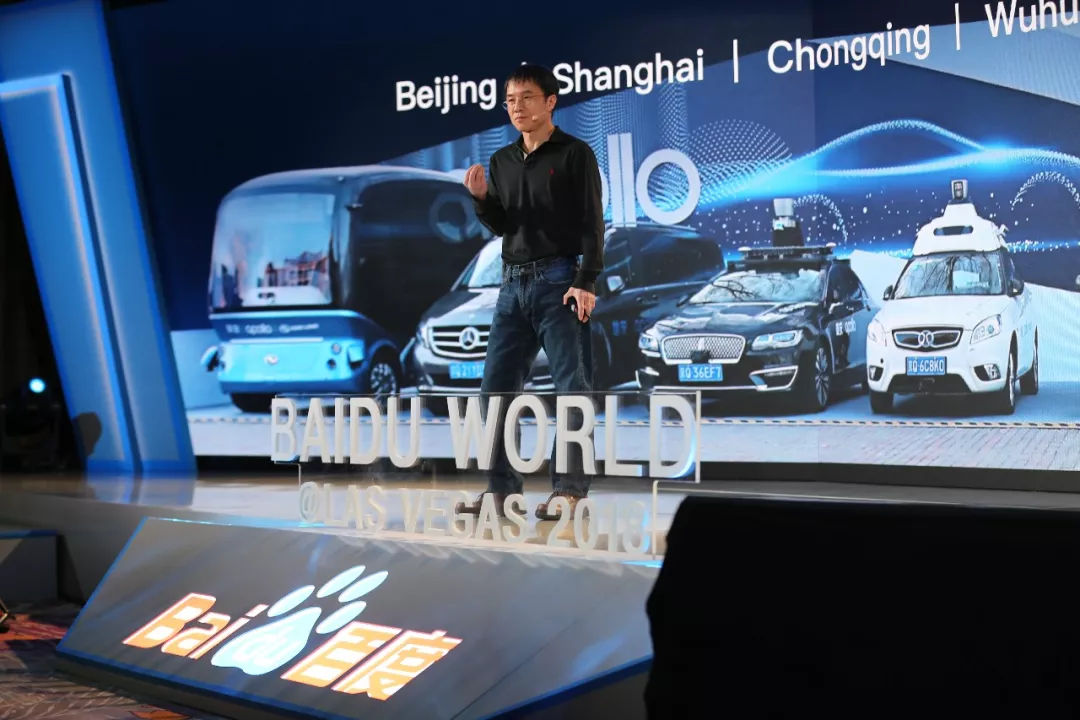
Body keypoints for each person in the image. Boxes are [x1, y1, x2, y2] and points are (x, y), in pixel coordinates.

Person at [455, 64, 604, 521]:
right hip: (511, 284)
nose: (516, 107)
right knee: (494, 392)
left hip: (559, 280)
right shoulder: (501, 161)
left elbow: (593, 223)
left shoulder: (575, 154)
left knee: (572, 390)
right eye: (510, 100)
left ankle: (569, 491)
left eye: (526, 98)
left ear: (550, 101)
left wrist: (586, 281)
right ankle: (502, 491)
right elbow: (504, 226)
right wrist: (482, 200)